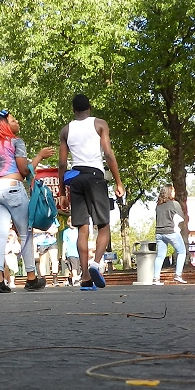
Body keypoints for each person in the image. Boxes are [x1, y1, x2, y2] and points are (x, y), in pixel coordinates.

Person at [57, 94, 124, 291]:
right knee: (103, 225)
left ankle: (85, 276)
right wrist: (118, 182)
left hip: (76, 178)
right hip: (95, 176)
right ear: (90, 107)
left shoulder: (66, 130)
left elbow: (62, 163)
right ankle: (96, 264)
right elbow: (108, 154)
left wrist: (62, 192)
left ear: (73, 110)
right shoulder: (100, 124)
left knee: (82, 228)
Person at [0, 109, 54, 293]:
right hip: (12, 189)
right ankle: (31, 277)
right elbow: (24, 170)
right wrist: (39, 156)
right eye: (14, 120)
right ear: (5, 125)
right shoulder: (16, 142)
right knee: (26, 233)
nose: (18, 122)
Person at [154, 185, 189, 284]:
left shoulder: (158, 205)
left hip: (159, 233)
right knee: (182, 252)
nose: (174, 192)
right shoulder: (175, 204)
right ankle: (178, 275)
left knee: (160, 256)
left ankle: (155, 279)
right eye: (173, 190)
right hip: (171, 232)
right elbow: (182, 217)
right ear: (169, 192)